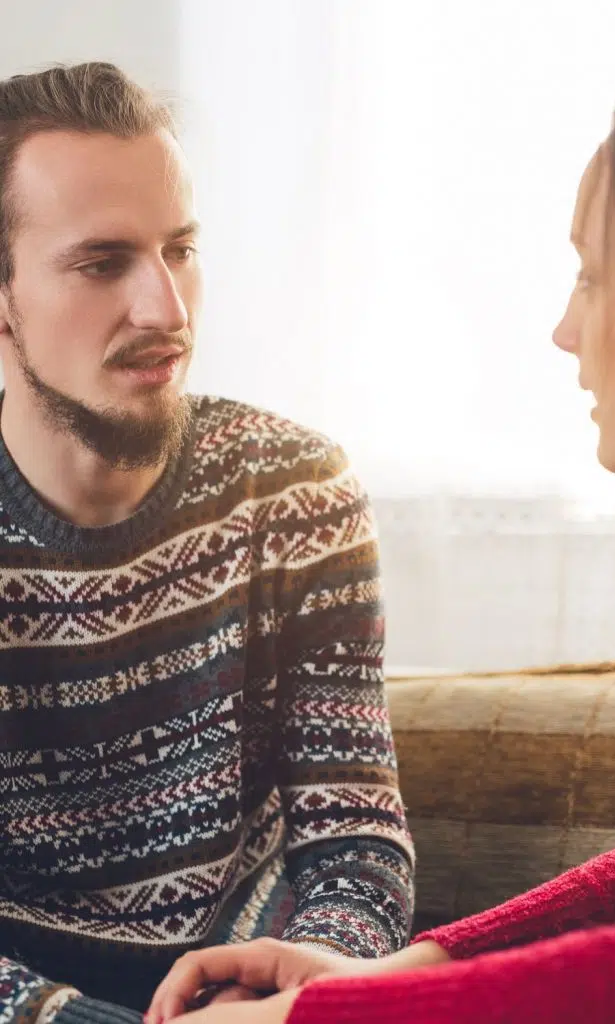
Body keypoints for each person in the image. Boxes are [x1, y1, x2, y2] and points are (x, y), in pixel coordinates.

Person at [146, 64, 615, 1024]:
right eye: (100, 263)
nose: (565, 329)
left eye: (594, 274)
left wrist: (304, 1016)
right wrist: (399, 974)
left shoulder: (294, 486)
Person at [0, 63, 415, 1023]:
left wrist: (311, 976)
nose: (167, 311)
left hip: (249, 990)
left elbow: (352, 835)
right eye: (103, 264)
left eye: (179, 250)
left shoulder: (295, 489)